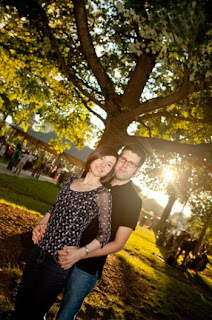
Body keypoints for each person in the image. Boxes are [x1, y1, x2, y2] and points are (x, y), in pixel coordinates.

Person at [14, 145, 118, 320]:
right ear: (94, 156)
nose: (102, 165)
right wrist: (42, 223)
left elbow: (104, 234)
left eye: (109, 165)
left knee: (34, 313)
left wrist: (82, 251)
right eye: (102, 158)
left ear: (110, 171)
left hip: (59, 260)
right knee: (20, 304)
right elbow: (56, 208)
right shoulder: (70, 181)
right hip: (39, 250)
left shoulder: (103, 194)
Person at [56, 144, 146, 320]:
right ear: (117, 158)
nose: (125, 165)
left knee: (64, 316)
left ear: (137, 170)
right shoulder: (98, 180)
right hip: (62, 252)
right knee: (41, 302)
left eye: (132, 164)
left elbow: (118, 244)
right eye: (123, 159)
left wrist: (81, 254)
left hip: (87, 267)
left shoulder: (133, 201)